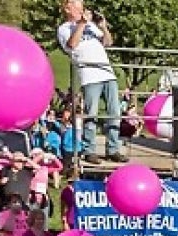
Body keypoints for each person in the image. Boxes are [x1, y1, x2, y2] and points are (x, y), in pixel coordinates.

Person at [57, 0, 122, 163]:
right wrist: (81, 24)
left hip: (107, 72)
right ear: (68, 9)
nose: (81, 10)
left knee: (115, 112)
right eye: (78, 8)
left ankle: (113, 149)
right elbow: (72, 45)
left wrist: (104, 28)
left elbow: (108, 43)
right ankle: (89, 150)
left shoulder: (91, 26)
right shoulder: (64, 28)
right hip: (89, 75)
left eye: (82, 8)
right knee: (91, 113)